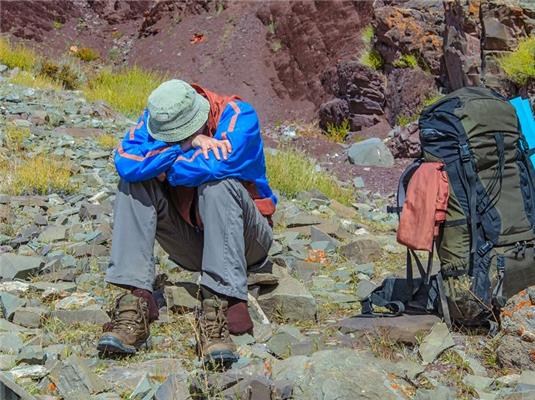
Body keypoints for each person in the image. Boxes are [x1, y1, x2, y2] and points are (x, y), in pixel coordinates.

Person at [97, 80, 276, 365]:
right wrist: (185, 144)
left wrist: (161, 166)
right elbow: (125, 162)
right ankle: (138, 301)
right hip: (194, 244)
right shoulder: (157, 117)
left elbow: (219, 165)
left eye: (183, 132)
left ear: (202, 114)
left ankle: (220, 302)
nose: (173, 138)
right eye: (169, 136)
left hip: (247, 242)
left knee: (219, 184)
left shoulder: (240, 116)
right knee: (133, 184)